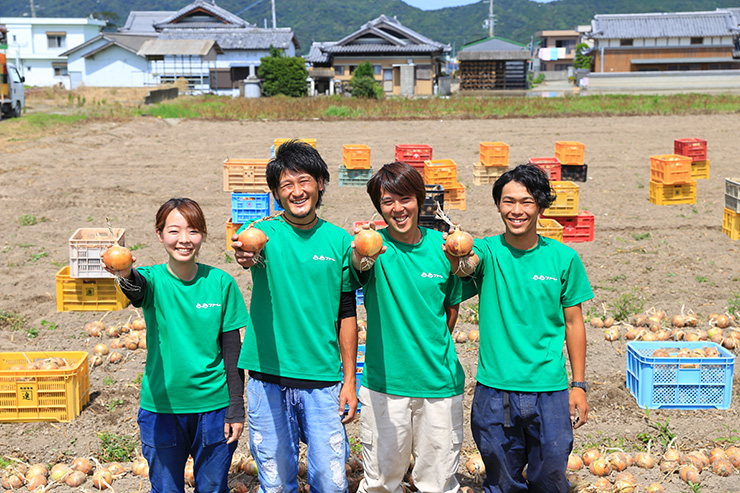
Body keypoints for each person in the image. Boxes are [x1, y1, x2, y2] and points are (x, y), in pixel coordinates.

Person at [446, 164, 593, 493]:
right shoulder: (488, 251)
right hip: (495, 391)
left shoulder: (563, 259)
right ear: (498, 205)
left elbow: (574, 322)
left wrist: (579, 384)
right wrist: (458, 254)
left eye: (526, 202)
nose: (516, 210)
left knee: (552, 474)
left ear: (540, 206)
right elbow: (466, 264)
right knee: (501, 480)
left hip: (549, 390)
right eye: (508, 201)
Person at [231, 139, 358, 492]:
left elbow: (347, 314)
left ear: (320, 183)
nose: (297, 191)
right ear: (276, 192)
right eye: (286, 184)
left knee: (330, 482)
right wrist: (245, 255)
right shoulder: (262, 236)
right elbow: (245, 253)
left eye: (304, 181)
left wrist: (349, 381)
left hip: (323, 379)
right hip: (266, 376)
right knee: (274, 481)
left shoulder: (339, 241)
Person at [109, 197, 248, 493]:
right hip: (161, 408)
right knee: (166, 489)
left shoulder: (221, 283)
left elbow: (232, 349)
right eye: (174, 231)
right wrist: (123, 274)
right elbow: (136, 289)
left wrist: (236, 407)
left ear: (203, 235)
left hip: (213, 408)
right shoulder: (152, 279)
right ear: (159, 235)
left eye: (193, 230)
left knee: (212, 487)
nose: (184, 240)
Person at [351, 161, 465, 493]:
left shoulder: (442, 248)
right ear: (379, 208)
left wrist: (429, 345)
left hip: (438, 384)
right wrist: (361, 255)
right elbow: (356, 267)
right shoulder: (372, 249)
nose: (398, 208)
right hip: (385, 384)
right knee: (381, 483)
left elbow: (451, 308)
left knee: (438, 483)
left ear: (419, 199)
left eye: (405, 198)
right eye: (388, 202)